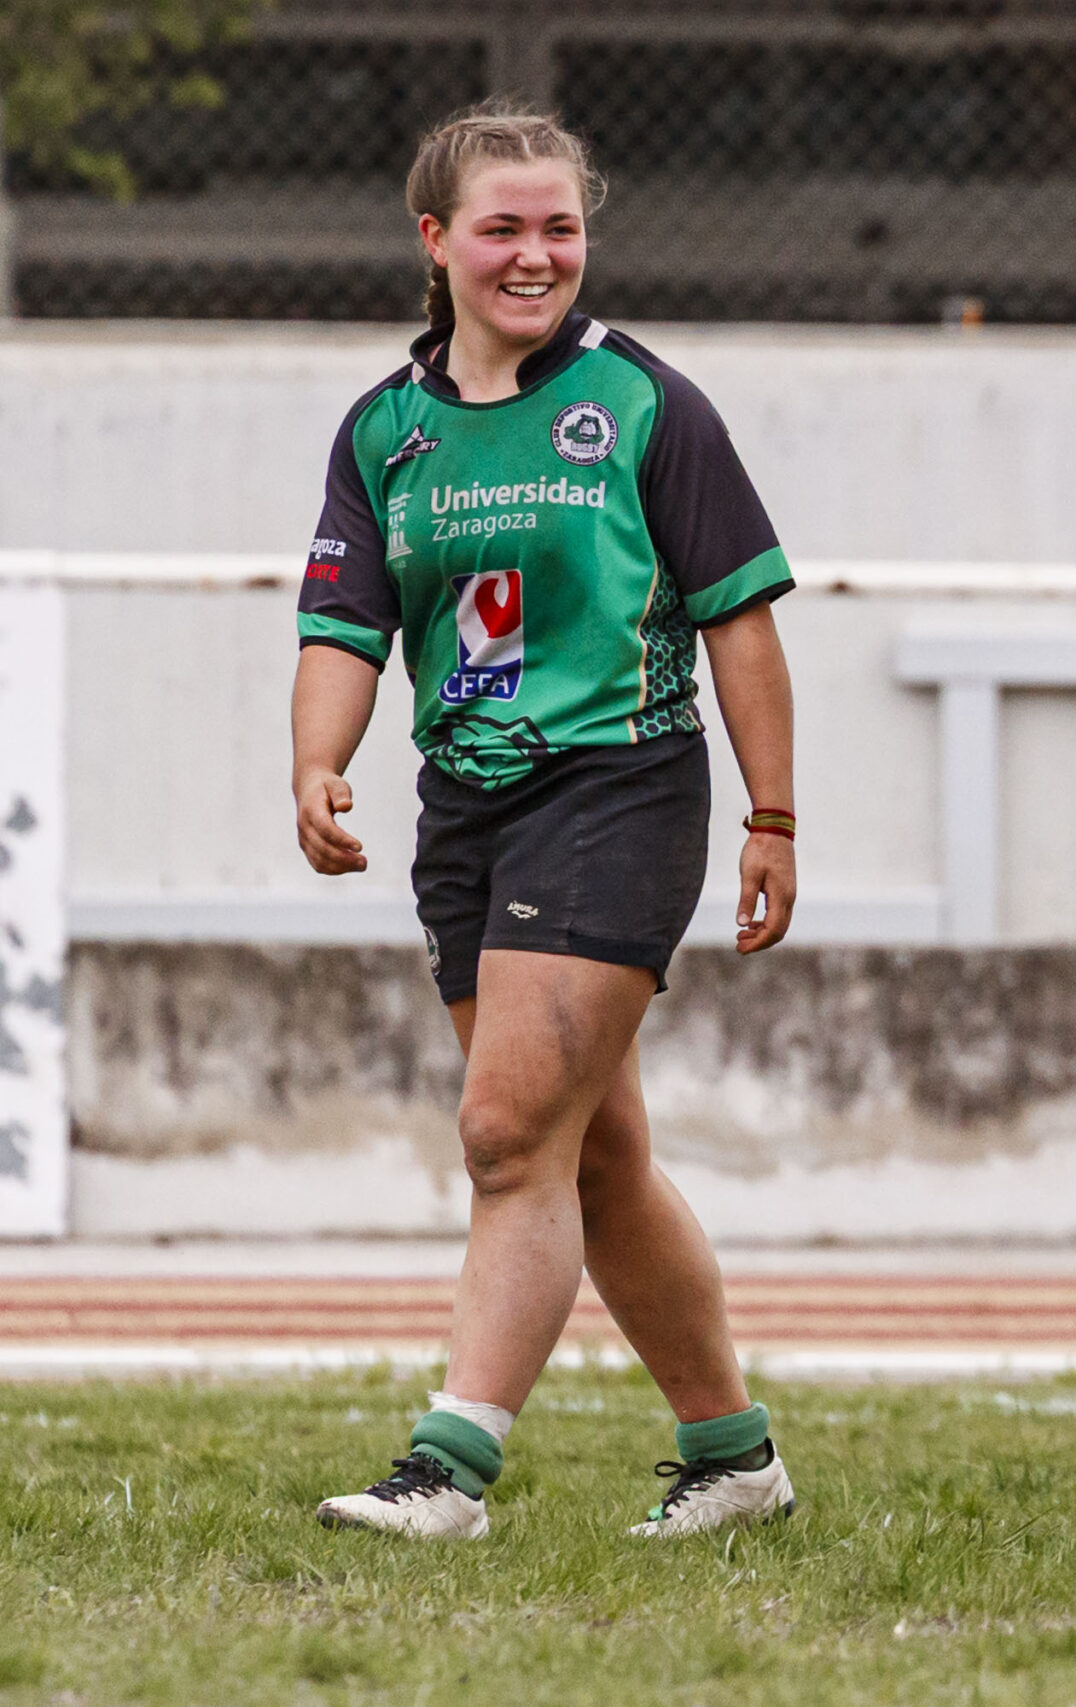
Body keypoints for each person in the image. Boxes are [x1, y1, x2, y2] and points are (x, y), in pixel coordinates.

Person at [292, 103, 801, 1540]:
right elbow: (344, 623)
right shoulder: (384, 431)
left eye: (559, 228)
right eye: (503, 228)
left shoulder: (643, 404)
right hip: (468, 809)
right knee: (594, 1156)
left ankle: (448, 1471)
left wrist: (773, 816)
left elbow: (742, 624)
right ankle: (736, 1457)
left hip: (620, 785)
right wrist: (318, 764)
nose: (535, 256)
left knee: (510, 1131)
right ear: (435, 240)